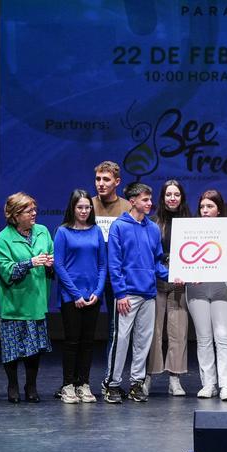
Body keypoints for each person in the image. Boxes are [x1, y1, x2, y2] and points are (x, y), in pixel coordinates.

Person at [103, 182, 171, 404]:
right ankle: (112, 384)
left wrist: (174, 275)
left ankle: (136, 383)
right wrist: (120, 293)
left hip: (148, 294)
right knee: (121, 339)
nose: (150, 203)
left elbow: (157, 263)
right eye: (145, 200)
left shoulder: (152, 228)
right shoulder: (119, 227)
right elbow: (114, 263)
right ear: (132, 202)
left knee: (143, 341)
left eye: (150, 200)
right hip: (127, 294)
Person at [0, 192, 54, 404]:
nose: (34, 213)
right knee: (12, 350)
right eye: (29, 211)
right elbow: (6, 270)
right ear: (16, 214)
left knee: (34, 349)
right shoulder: (4, 238)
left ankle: (31, 385)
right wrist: (30, 262)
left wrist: (50, 264)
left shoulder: (43, 232)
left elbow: (52, 261)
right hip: (14, 303)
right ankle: (12, 385)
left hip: (36, 301)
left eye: (34, 209)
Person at [53, 189, 106, 404]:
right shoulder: (63, 232)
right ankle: (68, 385)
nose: (84, 211)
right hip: (71, 297)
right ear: (73, 208)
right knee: (72, 342)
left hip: (92, 296)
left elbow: (102, 265)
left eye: (87, 207)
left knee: (88, 343)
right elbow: (59, 265)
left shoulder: (96, 231)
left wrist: (98, 292)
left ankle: (83, 383)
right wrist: (75, 294)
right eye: (80, 207)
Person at [187, 190, 227, 401]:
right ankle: (209, 383)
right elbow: (184, 258)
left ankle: (226, 385)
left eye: (210, 207)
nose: (205, 211)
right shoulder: (190, 230)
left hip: (221, 286)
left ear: (219, 210)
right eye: (202, 207)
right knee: (204, 338)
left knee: (223, 336)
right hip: (196, 288)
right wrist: (186, 274)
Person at [144, 179, 191, 396]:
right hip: (157, 280)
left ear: (182, 198)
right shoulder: (152, 223)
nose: (172, 198)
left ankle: (175, 378)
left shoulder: (190, 223)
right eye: (168, 194)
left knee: (178, 331)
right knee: (153, 330)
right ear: (162, 198)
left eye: (176, 194)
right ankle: (148, 376)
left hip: (181, 282)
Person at [90, 161, 131, 400]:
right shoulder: (86, 205)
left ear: (117, 182)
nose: (101, 184)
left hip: (117, 277)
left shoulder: (126, 207)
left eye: (106, 179)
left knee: (117, 331)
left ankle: (110, 379)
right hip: (91, 275)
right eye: (98, 179)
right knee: (84, 329)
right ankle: (76, 383)